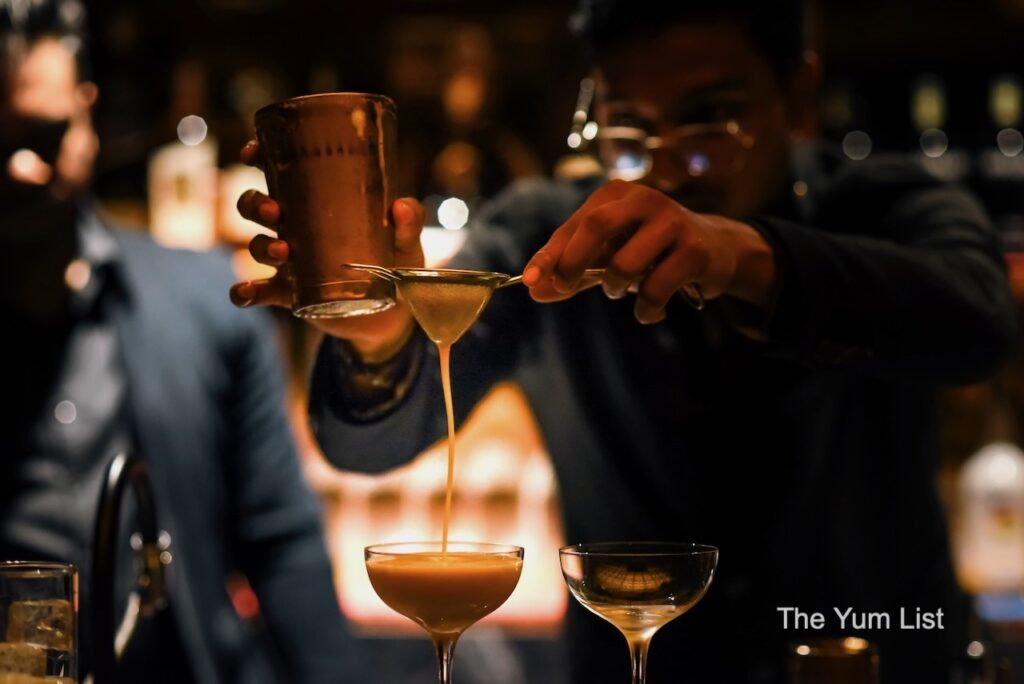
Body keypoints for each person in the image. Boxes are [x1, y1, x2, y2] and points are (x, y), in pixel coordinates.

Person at [232, 1, 1016, 681]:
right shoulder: (551, 232)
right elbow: (368, 445)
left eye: (710, 119)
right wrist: (380, 333)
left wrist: (741, 255)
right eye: (631, 129)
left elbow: (976, 323)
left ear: (799, 94)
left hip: (871, 662)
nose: (667, 166)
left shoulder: (885, 206)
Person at [0, 2, 366, 682]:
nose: (21, 167)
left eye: (45, 136)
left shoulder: (211, 309)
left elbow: (283, 546)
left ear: (88, 113)